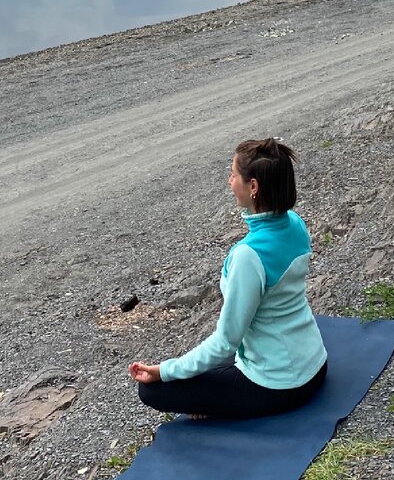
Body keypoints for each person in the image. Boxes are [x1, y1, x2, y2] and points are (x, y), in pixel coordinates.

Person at [128, 138, 328, 419]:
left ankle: (216, 406)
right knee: (205, 371)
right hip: (315, 364)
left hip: (280, 385)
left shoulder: (248, 256)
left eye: (234, 174)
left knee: (152, 390)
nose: (229, 181)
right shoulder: (295, 223)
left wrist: (164, 370)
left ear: (253, 187)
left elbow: (226, 342)